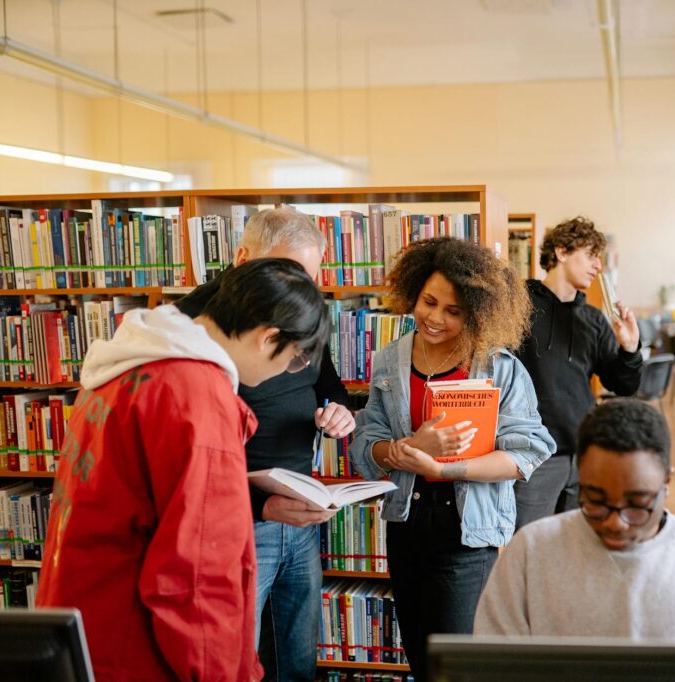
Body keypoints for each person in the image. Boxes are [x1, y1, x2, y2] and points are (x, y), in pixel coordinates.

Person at [36, 258, 330, 681]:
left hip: (85, 628)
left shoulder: (130, 364)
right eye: (295, 359)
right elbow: (197, 575)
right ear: (269, 338)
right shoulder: (197, 396)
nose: (287, 371)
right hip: (139, 649)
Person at [349, 237, 555, 681]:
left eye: (454, 311)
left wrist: (446, 469)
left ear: (478, 315)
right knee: (420, 658)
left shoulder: (498, 368)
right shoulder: (389, 361)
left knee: (456, 665)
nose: (435, 318)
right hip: (405, 525)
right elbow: (367, 446)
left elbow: (527, 452)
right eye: (428, 302)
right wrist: (408, 451)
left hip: (468, 532)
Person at [176, 207, 354, 682]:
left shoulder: (295, 311)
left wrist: (337, 407)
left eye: (308, 279)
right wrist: (260, 504)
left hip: (298, 503)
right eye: (286, 273)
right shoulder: (188, 336)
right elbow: (187, 474)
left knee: (294, 659)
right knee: (231, 658)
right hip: (237, 517)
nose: (298, 294)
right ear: (242, 258)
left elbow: (327, 381)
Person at [474, 398, 675, 643]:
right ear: (580, 478)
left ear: (667, 481)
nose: (616, 523)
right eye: (596, 502)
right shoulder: (530, 552)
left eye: (638, 505)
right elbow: (492, 664)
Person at [514, 216, 642, 529]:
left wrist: (630, 348)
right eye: (590, 255)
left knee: (576, 552)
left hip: (584, 455)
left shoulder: (594, 319)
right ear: (561, 251)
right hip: (536, 456)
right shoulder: (519, 307)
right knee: (531, 550)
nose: (598, 266)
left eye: (599, 258)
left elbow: (623, 384)